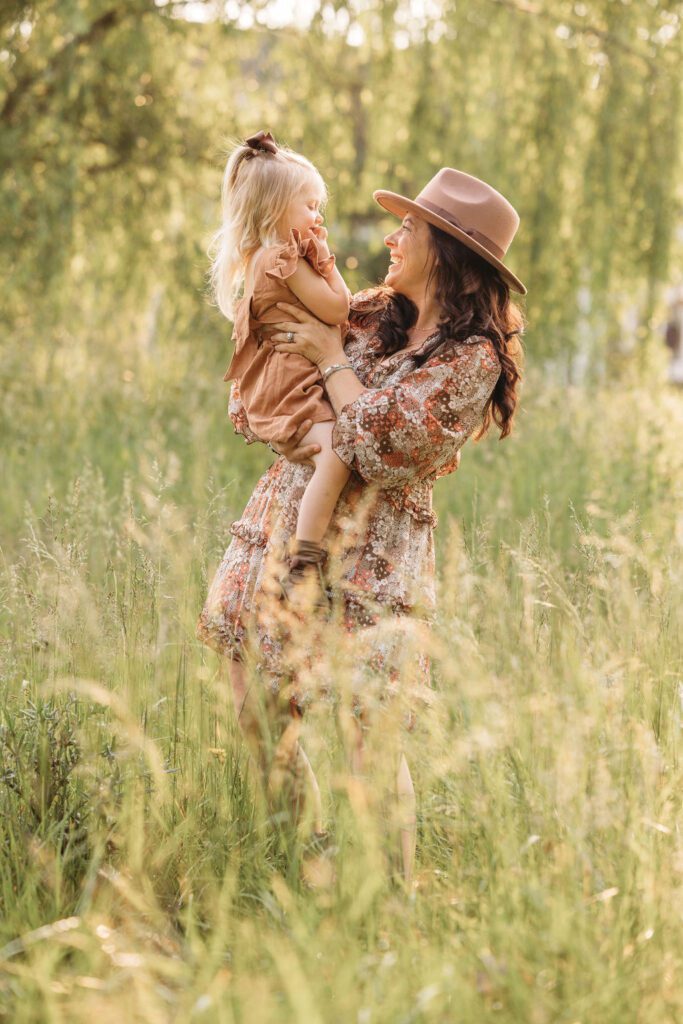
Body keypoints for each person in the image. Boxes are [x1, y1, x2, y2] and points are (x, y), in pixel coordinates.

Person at [197, 166, 526, 888]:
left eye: (407, 227)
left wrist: (326, 358)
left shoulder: (469, 359)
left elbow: (384, 445)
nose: (390, 235)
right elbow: (268, 372)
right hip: (286, 521)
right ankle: (294, 869)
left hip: (372, 560)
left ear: (446, 251)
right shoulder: (371, 314)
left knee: (367, 741)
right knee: (255, 697)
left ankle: (390, 909)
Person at [208, 129, 352, 598]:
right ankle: (305, 560)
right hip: (289, 383)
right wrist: (328, 264)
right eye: (309, 205)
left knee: (329, 451)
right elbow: (337, 310)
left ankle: (306, 552)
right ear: (275, 210)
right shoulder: (282, 260)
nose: (318, 216)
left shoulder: (262, 257)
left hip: (281, 377)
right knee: (335, 451)